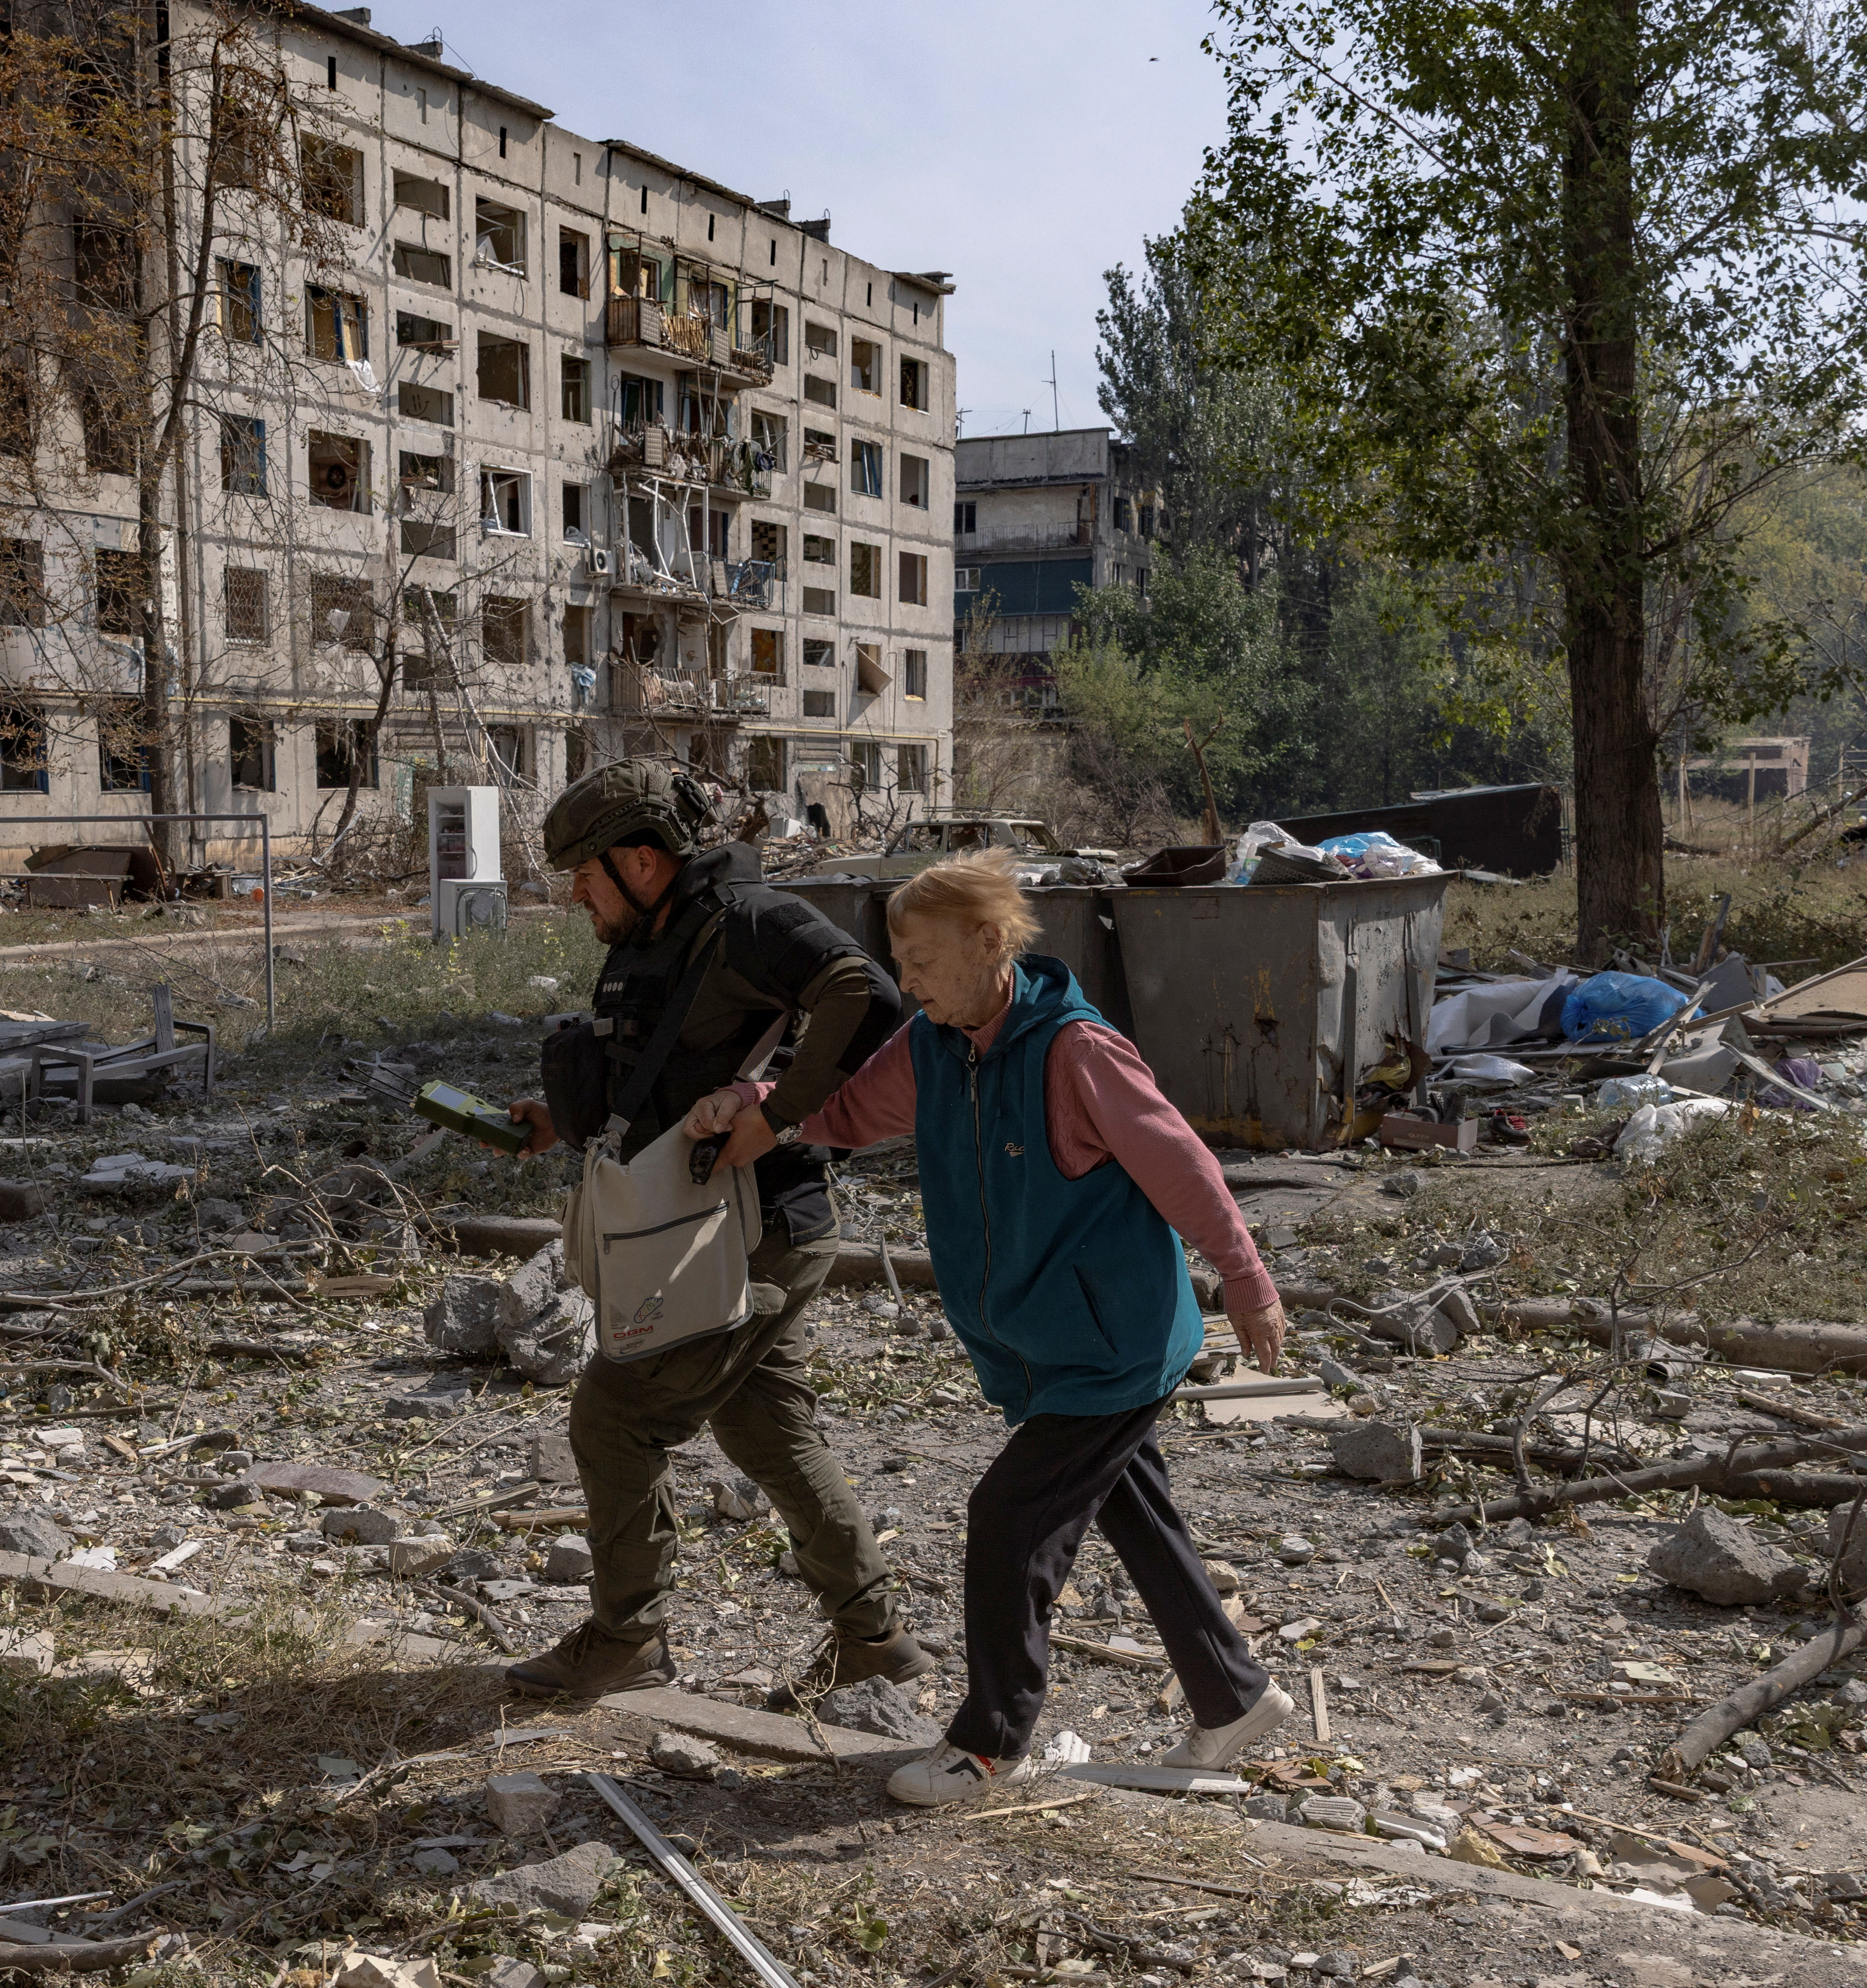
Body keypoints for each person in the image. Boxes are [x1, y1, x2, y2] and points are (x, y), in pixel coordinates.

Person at [680, 848, 1294, 1805]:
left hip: (1115, 1342)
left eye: (921, 960)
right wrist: (756, 1101)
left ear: (989, 942)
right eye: (900, 960)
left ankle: (988, 1741)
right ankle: (1235, 1695)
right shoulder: (934, 1044)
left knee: (1009, 1519)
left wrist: (1248, 1281)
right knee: (1133, 1507)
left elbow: (1184, 1169)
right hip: (1050, 1343)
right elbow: (846, 1110)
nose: (908, 980)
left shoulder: (1077, 1052)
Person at [499, 759, 924, 1705]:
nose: (575, 894)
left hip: (750, 1230)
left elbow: (865, 995)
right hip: (713, 1226)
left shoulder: (749, 919)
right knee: (766, 1426)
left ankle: (627, 1640)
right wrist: (562, 1121)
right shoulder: (654, 936)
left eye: (585, 874)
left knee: (615, 1416)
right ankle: (876, 1641)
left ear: (643, 860)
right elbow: (660, 1070)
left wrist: (778, 1113)